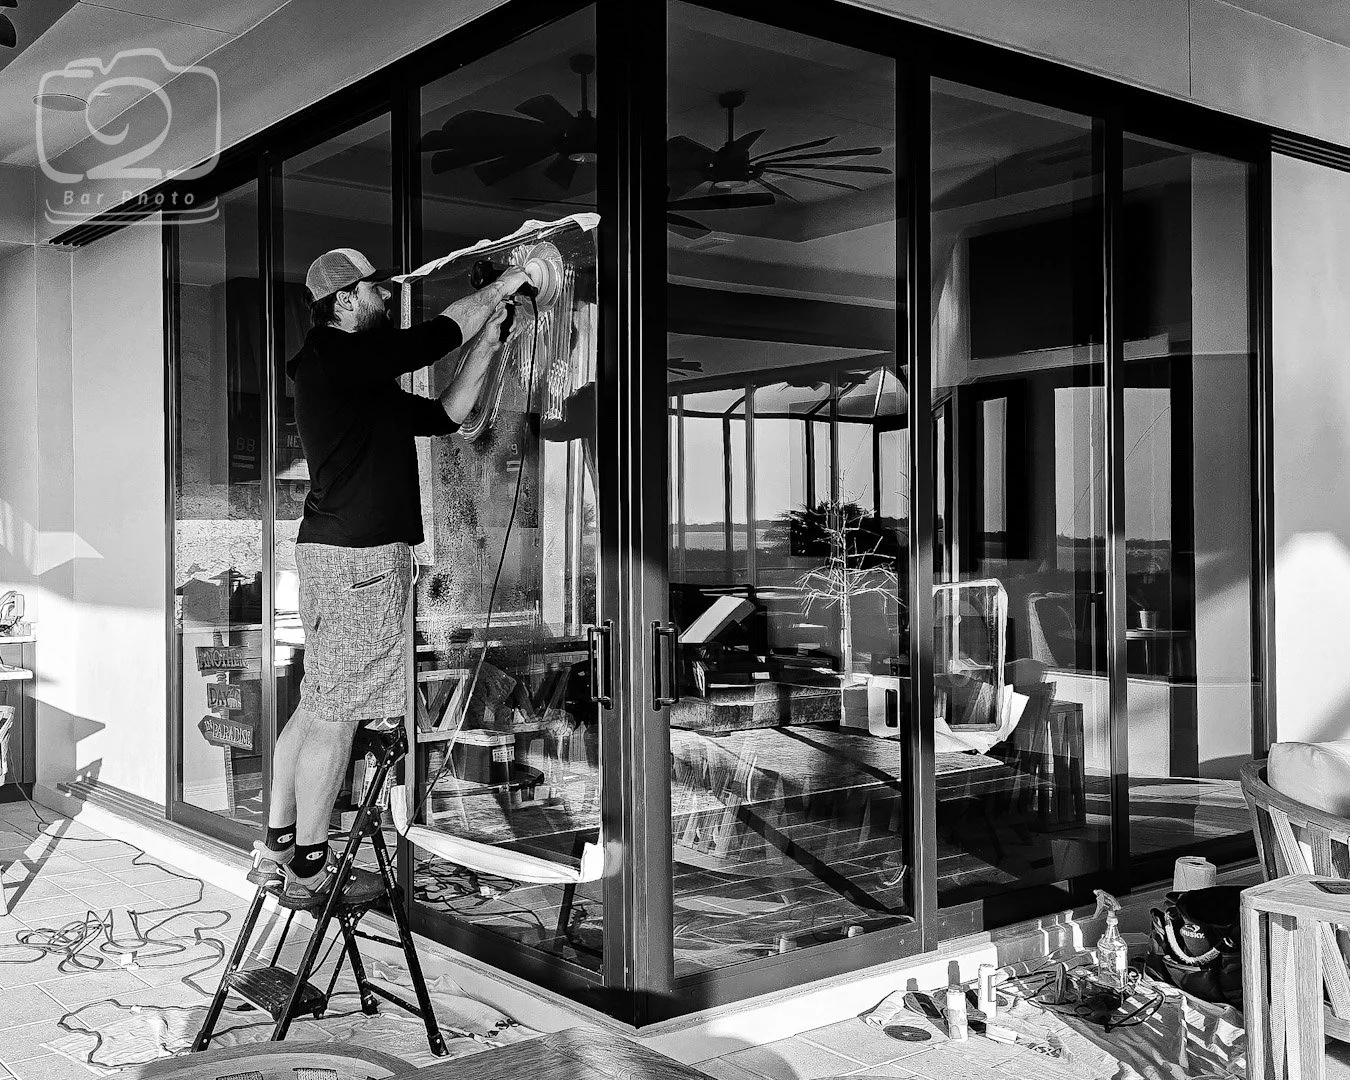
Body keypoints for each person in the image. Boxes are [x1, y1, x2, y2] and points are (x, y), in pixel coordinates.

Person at [250, 247, 535, 908]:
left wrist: (489, 341)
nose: (384, 296)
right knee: (338, 715)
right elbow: (437, 335)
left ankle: (278, 847)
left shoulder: (352, 377)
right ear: (345, 301)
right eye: (375, 289)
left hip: (338, 559)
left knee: (319, 702)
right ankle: (309, 869)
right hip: (360, 564)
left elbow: (444, 417)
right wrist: (507, 285)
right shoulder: (336, 356)